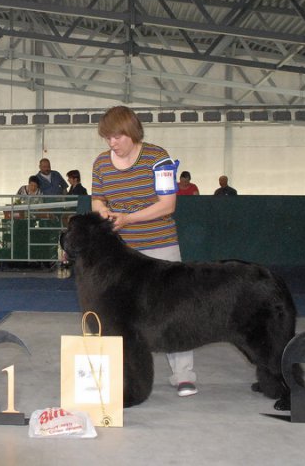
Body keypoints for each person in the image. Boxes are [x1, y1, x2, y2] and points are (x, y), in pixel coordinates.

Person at [91, 105, 197, 398]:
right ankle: (123, 375)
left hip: (160, 246)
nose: (111, 143)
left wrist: (127, 218)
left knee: (174, 311)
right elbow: (97, 200)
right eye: (107, 138)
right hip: (121, 255)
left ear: (132, 132)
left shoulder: (156, 157)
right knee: (120, 314)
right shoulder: (101, 163)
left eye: (117, 137)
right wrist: (104, 212)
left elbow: (167, 205)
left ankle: (184, 375)